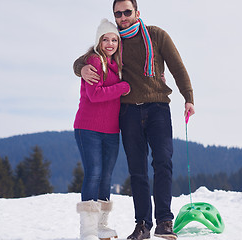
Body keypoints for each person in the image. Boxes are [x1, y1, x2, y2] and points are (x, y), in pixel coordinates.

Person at [74, 1, 195, 239]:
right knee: (137, 170)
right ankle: (142, 224)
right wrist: (80, 68)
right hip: (128, 112)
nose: (123, 17)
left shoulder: (156, 35)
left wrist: (188, 97)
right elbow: (87, 58)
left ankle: (164, 221)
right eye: (118, 13)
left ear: (137, 13)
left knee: (163, 162)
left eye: (127, 12)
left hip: (158, 107)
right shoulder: (113, 40)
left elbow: (177, 66)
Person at [74, 18, 131, 240]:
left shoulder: (118, 65)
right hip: (88, 127)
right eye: (105, 39)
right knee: (94, 173)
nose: (109, 43)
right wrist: (122, 87)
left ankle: (101, 226)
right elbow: (95, 95)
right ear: (98, 41)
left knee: (106, 176)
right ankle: (87, 231)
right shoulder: (94, 61)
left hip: (111, 130)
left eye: (114, 39)